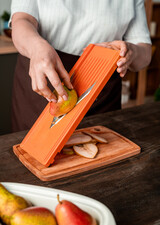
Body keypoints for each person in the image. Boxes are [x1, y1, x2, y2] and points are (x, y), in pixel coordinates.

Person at [10, 0, 151, 132]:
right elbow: (22, 20)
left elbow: (144, 53)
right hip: (44, 83)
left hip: (102, 95)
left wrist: (131, 51)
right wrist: (37, 47)